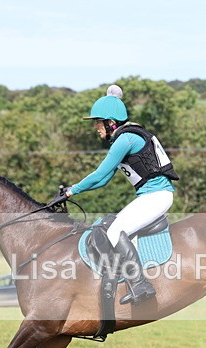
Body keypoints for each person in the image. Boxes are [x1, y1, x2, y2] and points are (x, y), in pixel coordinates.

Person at [56, 85, 179, 305]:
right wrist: (74, 190)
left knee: (115, 231)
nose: (95, 127)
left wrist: (72, 190)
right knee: (112, 226)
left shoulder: (126, 139)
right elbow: (104, 180)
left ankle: (140, 285)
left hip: (156, 196)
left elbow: (99, 173)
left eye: (98, 122)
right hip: (151, 196)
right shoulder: (125, 138)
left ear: (111, 122)